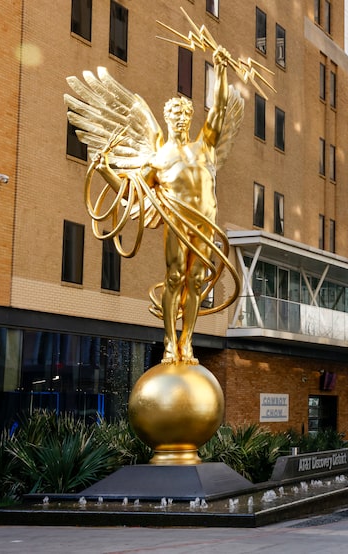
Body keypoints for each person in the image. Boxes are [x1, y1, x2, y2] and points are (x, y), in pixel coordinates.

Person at [68, 45, 247, 364]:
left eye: (184, 115)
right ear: (167, 119)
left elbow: (218, 113)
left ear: (190, 119)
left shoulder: (204, 148)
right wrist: (107, 169)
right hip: (178, 223)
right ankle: (168, 342)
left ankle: (187, 342)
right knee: (177, 278)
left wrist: (220, 70)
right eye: (174, 115)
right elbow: (129, 191)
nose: (179, 119)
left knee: (195, 281)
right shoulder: (158, 158)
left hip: (205, 225)